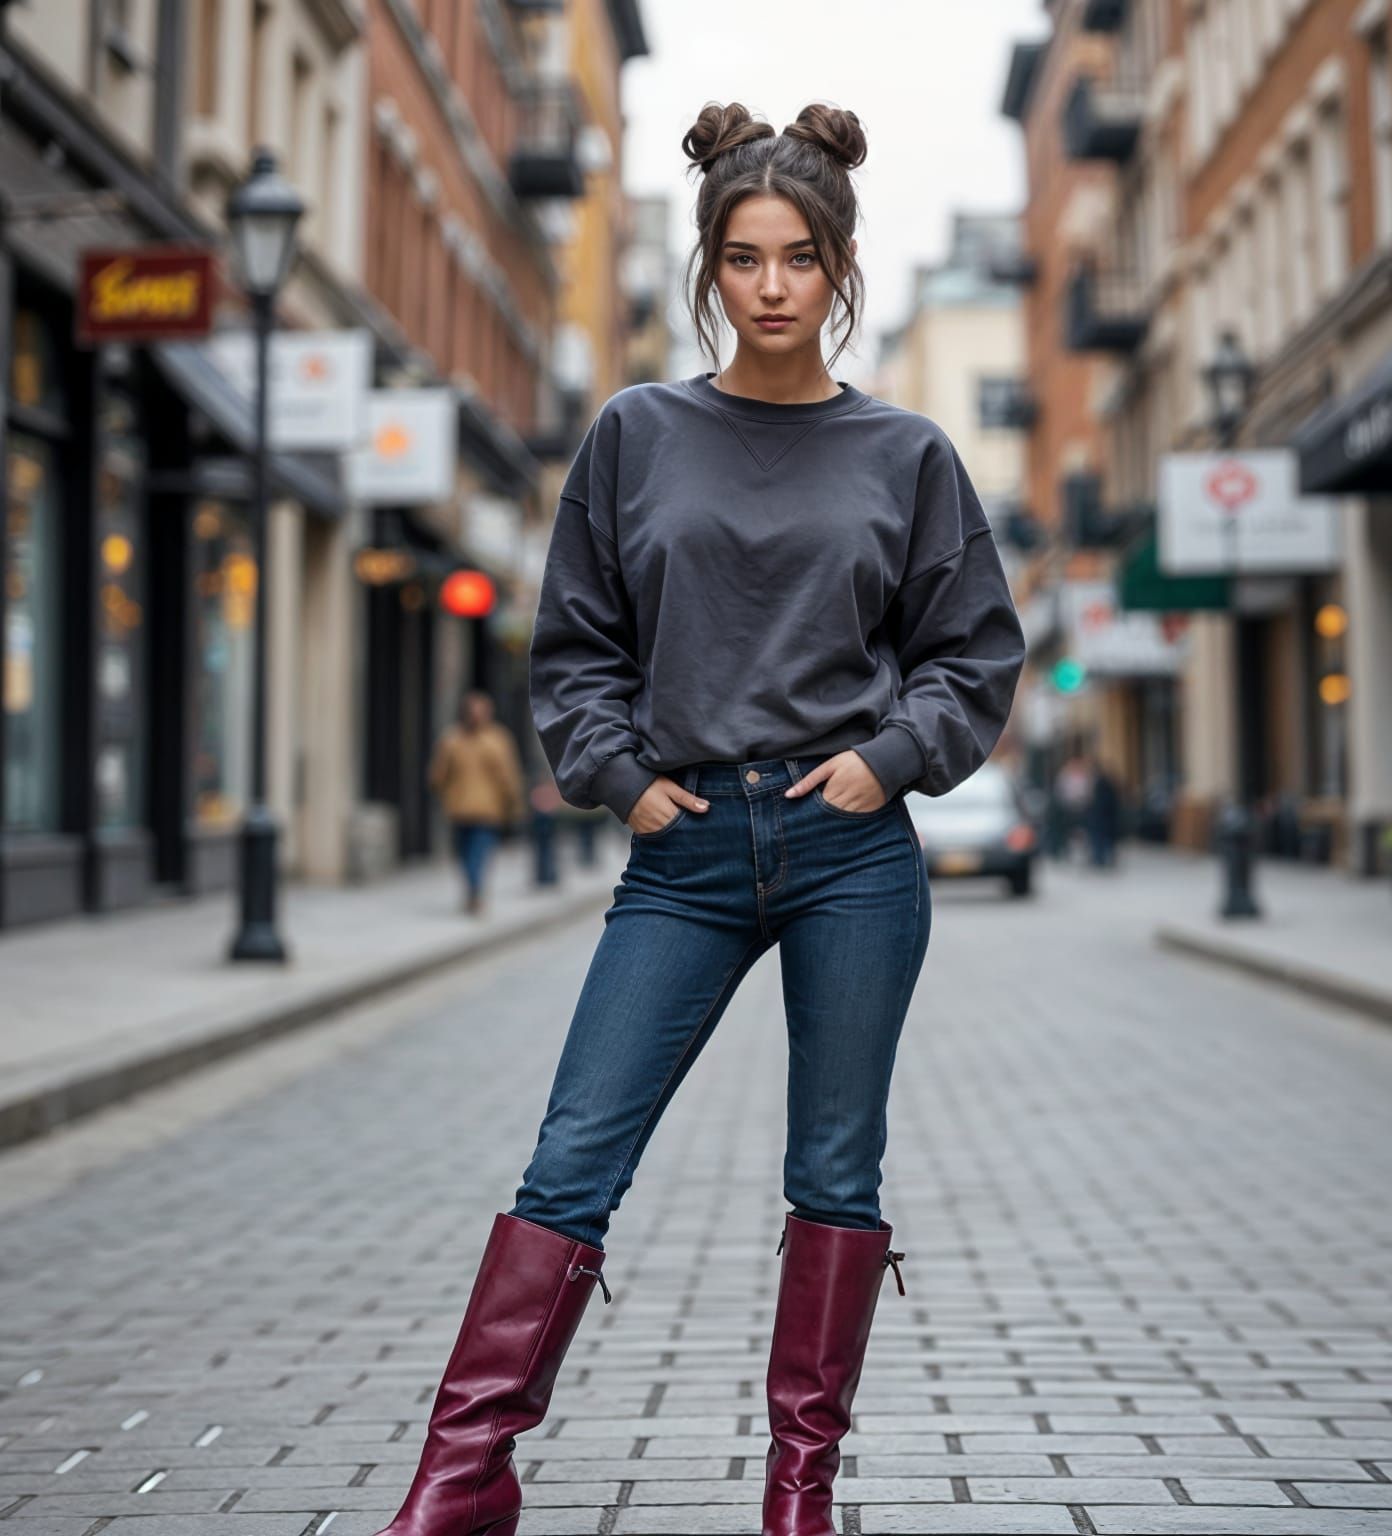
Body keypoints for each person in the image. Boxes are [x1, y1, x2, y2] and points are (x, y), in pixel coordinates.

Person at [372, 101, 1028, 1536]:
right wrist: (619, 775)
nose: (774, 285)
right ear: (711, 272)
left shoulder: (908, 454)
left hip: (852, 852)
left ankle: (801, 1493)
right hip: (684, 855)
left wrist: (893, 758)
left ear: (841, 267)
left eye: (801, 256)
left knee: (834, 1169)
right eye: (745, 258)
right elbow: (579, 643)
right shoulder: (636, 433)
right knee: (573, 1156)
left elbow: (975, 650)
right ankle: (463, 1476)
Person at [427, 690, 525, 915]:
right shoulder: (455, 739)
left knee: (476, 853)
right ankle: (474, 890)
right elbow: (439, 774)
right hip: (464, 808)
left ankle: (473, 891)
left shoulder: (493, 739)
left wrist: (512, 801)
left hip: (482, 810)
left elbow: (507, 776)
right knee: (466, 853)